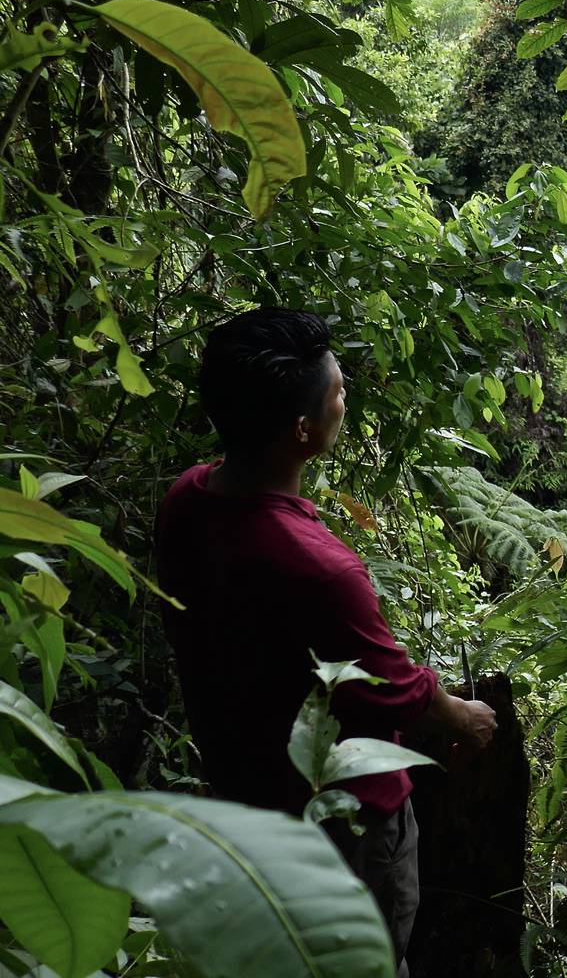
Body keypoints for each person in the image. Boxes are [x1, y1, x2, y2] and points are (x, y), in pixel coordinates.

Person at [155, 307, 496, 976]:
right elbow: (388, 687)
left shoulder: (187, 500)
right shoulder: (317, 565)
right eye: (339, 391)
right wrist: (464, 715)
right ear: (304, 429)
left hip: (244, 794)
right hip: (343, 824)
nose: (347, 399)